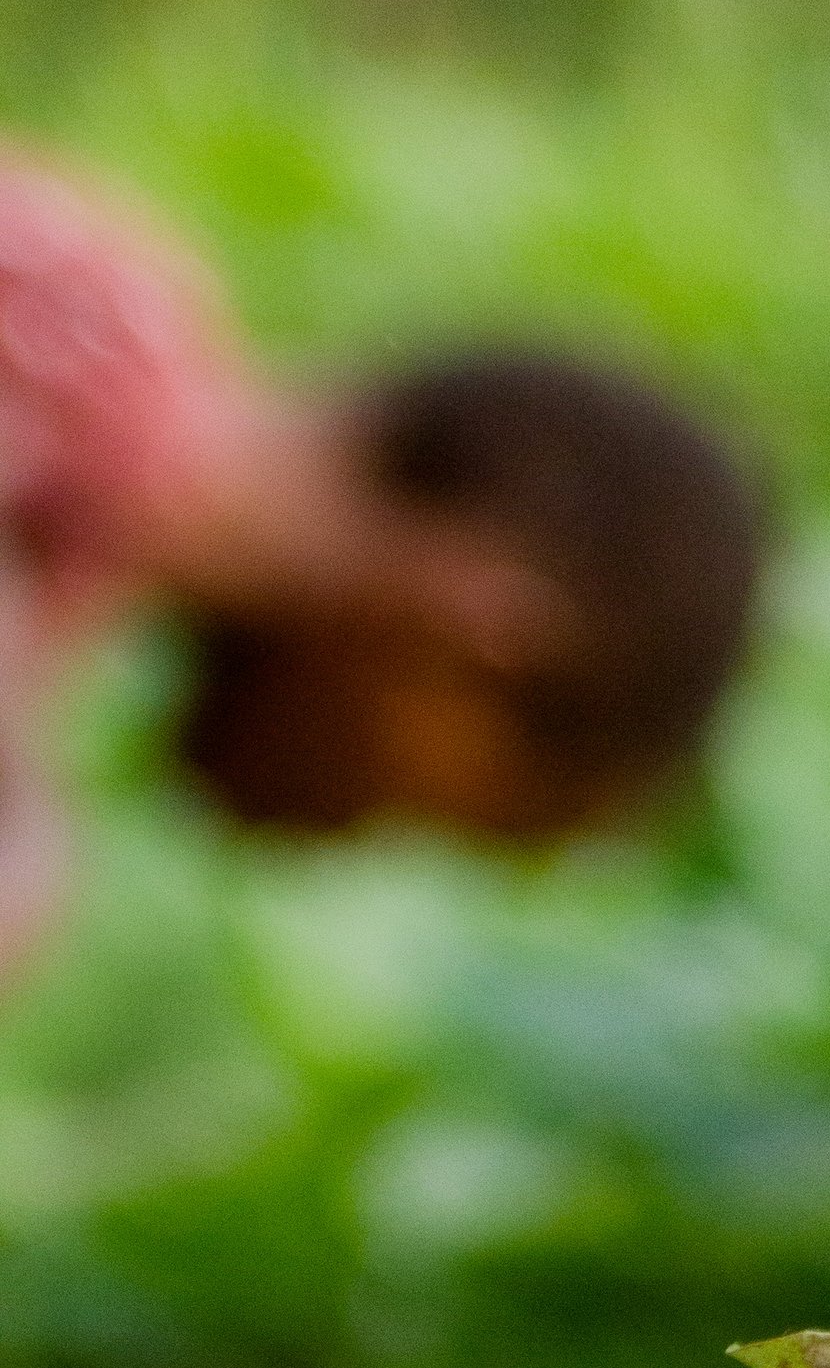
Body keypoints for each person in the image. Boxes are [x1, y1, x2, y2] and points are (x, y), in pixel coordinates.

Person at [0, 152, 763, 967]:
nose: (343, 843)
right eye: (423, 823)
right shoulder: (62, 391)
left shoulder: (75, 528)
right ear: (484, 632)